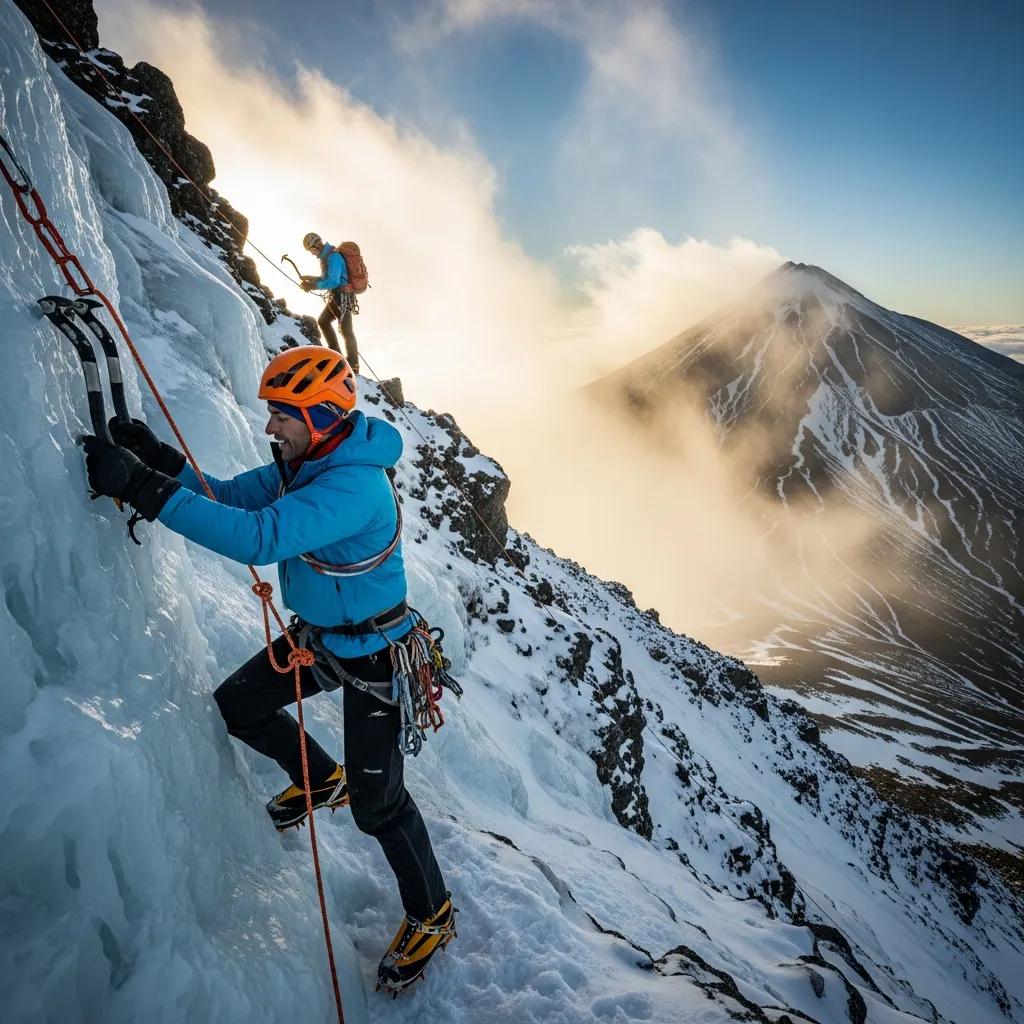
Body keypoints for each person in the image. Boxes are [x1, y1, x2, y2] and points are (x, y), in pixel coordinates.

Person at [81, 346, 454, 992]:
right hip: (324, 638)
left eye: (282, 414)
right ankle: (316, 779)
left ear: (320, 413)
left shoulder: (351, 485)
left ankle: (433, 913)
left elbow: (260, 539)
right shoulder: (302, 462)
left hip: (374, 654)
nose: (270, 427)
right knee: (239, 705)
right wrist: (162, 463)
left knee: (378, 803)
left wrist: (142, 487)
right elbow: (228, 499)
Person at [300, 231, 360, 374]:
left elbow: (334, 281)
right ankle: (340, 357)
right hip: (339, 297)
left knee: (343, 329)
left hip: (343, 297)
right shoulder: (327, 257)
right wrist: (312, 280)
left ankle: (351, 363)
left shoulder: (333, 257)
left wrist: (313, 286)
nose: (312, 253)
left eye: (311, 250)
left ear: (316, 245)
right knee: (326, 322)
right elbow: (326, 278)